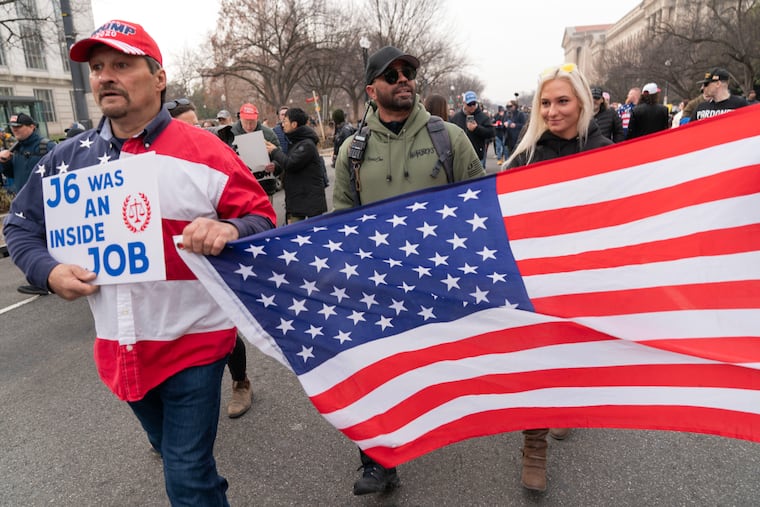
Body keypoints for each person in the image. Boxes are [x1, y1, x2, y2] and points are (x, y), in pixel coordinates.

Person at [3, 20, 276, 505]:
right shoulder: (69, 158)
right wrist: (46, 269)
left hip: (195, 342)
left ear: (158, 78)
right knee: (173, 454)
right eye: (98, 67)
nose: (106, 76)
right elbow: (20, 226)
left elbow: (262, 218)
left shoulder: (206, 152)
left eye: (122, 65)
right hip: (119, 348)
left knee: (186, 477)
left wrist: (230, 229)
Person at [333, 45, 486, 496]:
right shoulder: (352, 150)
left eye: (409, 72)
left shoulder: (449, 137)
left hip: (441, 283)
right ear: (371, 89)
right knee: (373, 372)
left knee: (444, 370)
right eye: (391, 74)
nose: (403, 79)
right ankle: (379, 460)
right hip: (380, 286)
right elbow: (342, 221)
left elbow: (479, 207)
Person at [505, 63, 613, 491]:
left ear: (582, 103)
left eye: (562, 101)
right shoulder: (526, 155)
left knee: (573, 354)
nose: (552, 111)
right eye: (545, 102)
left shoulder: (606, 152)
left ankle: (566, 406)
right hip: (537, 279)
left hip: (587, 279)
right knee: (535, 360)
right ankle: (534, 445)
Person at [166, 96, 255, 419]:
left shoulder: (216, 154)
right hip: (171, 270)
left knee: (225, 327)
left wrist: (230, 228)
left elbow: (252, 210)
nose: (196, 133)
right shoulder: (153, 163)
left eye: (197, 125)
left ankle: (241, 382)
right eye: (184, 126)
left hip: (215, 260)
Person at [1, 112, 57, 296]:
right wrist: (5, 162)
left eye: (19, 127)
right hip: (24, 202)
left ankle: (47, 278)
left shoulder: (46, 146)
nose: (15, 131)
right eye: (13, 128)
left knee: (46, 240)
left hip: (45, 201)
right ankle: (45, 279)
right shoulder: (15, 149)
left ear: (32, 127)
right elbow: (11, 175)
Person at [265, 107, 327, 224]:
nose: (283, 125)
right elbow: (290, 163)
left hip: (308, 203)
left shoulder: (307, 144)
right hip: (298, 199)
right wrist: (276, 167)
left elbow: (291, 163)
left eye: (285, 122)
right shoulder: (296, 141)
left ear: (294, 124)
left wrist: (274, 151)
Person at [450, 91, 494, 170]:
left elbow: (491, 132)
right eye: (469, 104)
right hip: (460, 156)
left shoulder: (483, 117)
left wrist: (477, 128)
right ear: (464, 103)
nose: (472, 106)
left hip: (477, 155)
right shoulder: (456, 117)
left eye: (474, 103)